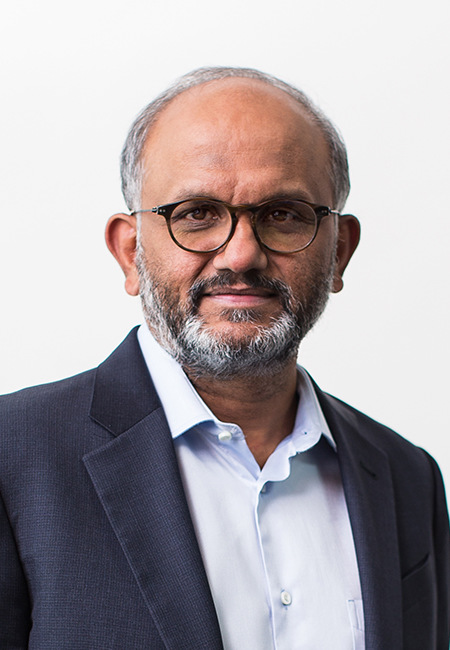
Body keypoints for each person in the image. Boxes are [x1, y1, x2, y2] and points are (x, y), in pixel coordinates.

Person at [0, 67, 448, 650]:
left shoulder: (408, 478)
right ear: (130, 252)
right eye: (196, 214)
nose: (241, 254)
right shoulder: (13, 457)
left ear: (339, 252)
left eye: (283, 214)